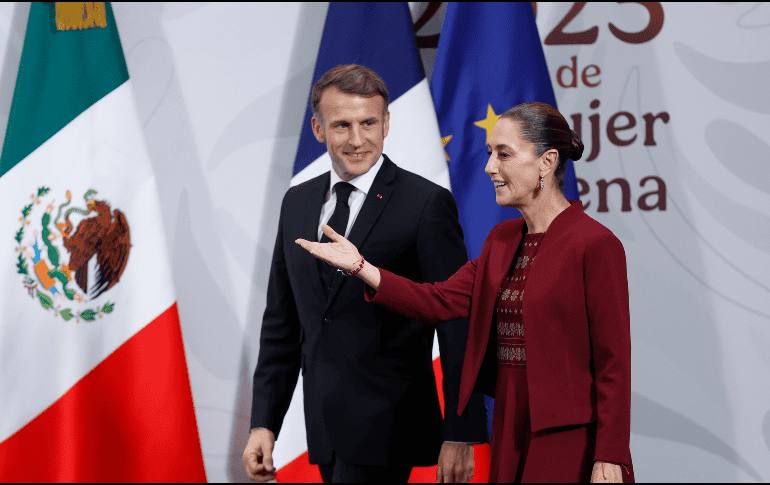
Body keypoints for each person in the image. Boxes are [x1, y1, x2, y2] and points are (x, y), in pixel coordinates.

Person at [297, 102, 635, 483]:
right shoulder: (501, 240)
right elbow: (436, 301)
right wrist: (361, 267)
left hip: (568, 435)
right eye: (490, 153)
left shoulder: (595, 244)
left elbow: (613, 363)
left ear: (547, 162)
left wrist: (610, 454)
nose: (490, 167)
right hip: (510, 425)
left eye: (503, 154)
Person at [243, 64, 488, 483]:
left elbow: (457, 322)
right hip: (323, 430)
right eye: (342, 125)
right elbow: (282, 324)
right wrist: (264, 423)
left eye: (369, 122)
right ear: (319, 130)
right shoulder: (297, 202)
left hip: (392, 428)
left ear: (387, 123)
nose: (357, 140)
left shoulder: (426, 204)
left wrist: (460, 432)